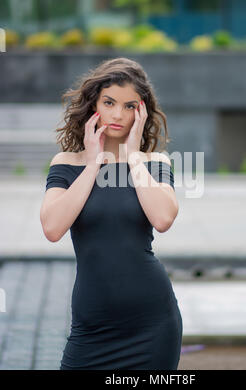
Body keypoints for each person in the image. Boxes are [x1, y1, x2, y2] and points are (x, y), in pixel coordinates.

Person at [40, 57, 182, 370]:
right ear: (95, 105)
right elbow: (52, 227)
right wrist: (93, 164)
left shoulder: (155, 162)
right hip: (92, 327)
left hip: (152, 325)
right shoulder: (67, 162)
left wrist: (133, 157)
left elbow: (163, 219)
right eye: (109, 102)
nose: (118, 114)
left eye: (129, 105)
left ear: (141, 112)